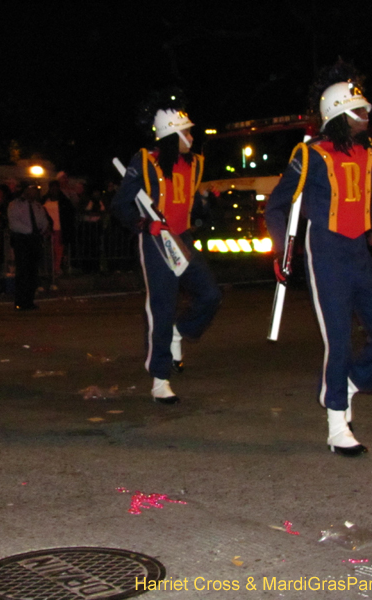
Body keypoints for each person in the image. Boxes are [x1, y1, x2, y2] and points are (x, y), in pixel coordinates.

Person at [265, 67, 372, 456]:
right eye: (360, 112)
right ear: (340, 116)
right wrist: (282, 249)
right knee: (339, 340)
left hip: (359, 251)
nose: (367, 117)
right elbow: (277, 205)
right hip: (325, 250)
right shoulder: (309, 156)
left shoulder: (369, 153)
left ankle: (346, 384)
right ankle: (336, 424)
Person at [111, 99, 222, 404]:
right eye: (187, 132)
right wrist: (144, 224)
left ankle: (180, 332)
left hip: (182, 238)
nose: (192, 137)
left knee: (210, 294)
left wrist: (203, 203)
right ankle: (160, 378)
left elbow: (190, 204)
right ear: (173, 134)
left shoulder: (196, 163)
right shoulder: (145, 161)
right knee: (161, 306)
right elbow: (121, 204)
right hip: (156, 240)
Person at [7, 180, 49, 310]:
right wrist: (30, 231)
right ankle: (20, 300)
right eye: (32, 190)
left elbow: (43, 220)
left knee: (32, 270)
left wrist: (41, 229)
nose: (35, 193)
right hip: (22, 239)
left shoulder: (37, 206)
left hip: (35, 240)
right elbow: (14, 223)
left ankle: (29, 299)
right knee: (23, 270)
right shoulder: (15, 204)